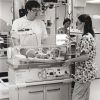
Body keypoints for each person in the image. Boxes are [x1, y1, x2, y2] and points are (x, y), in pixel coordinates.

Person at [64, 14, 96, 100]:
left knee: (76, 97)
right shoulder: (90, 35)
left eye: (77, 23)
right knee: (84, 97)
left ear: (83, 23)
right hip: (88, 72)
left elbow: (85, 56)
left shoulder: (85, 38)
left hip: (84, 74)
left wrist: (71, 60)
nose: (76, 25)